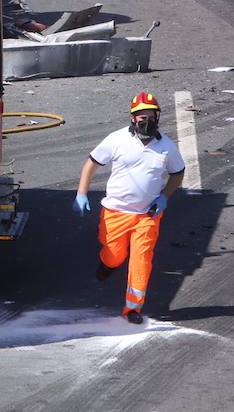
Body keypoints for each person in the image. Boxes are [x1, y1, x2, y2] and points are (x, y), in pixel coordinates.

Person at [73, 92, 185, 323]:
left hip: (147, 215)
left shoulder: (166, 147)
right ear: (132, 118)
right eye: (141, 116)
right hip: (115, 213)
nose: (146, 121)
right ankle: (108, 263)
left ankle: (133, 308)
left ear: (158, 117)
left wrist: (164, 197)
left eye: (151, 116)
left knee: (141, 259)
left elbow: (178, 173)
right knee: (115, 256)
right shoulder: (116, 140)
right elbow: (92, 163)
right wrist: (81, 193)